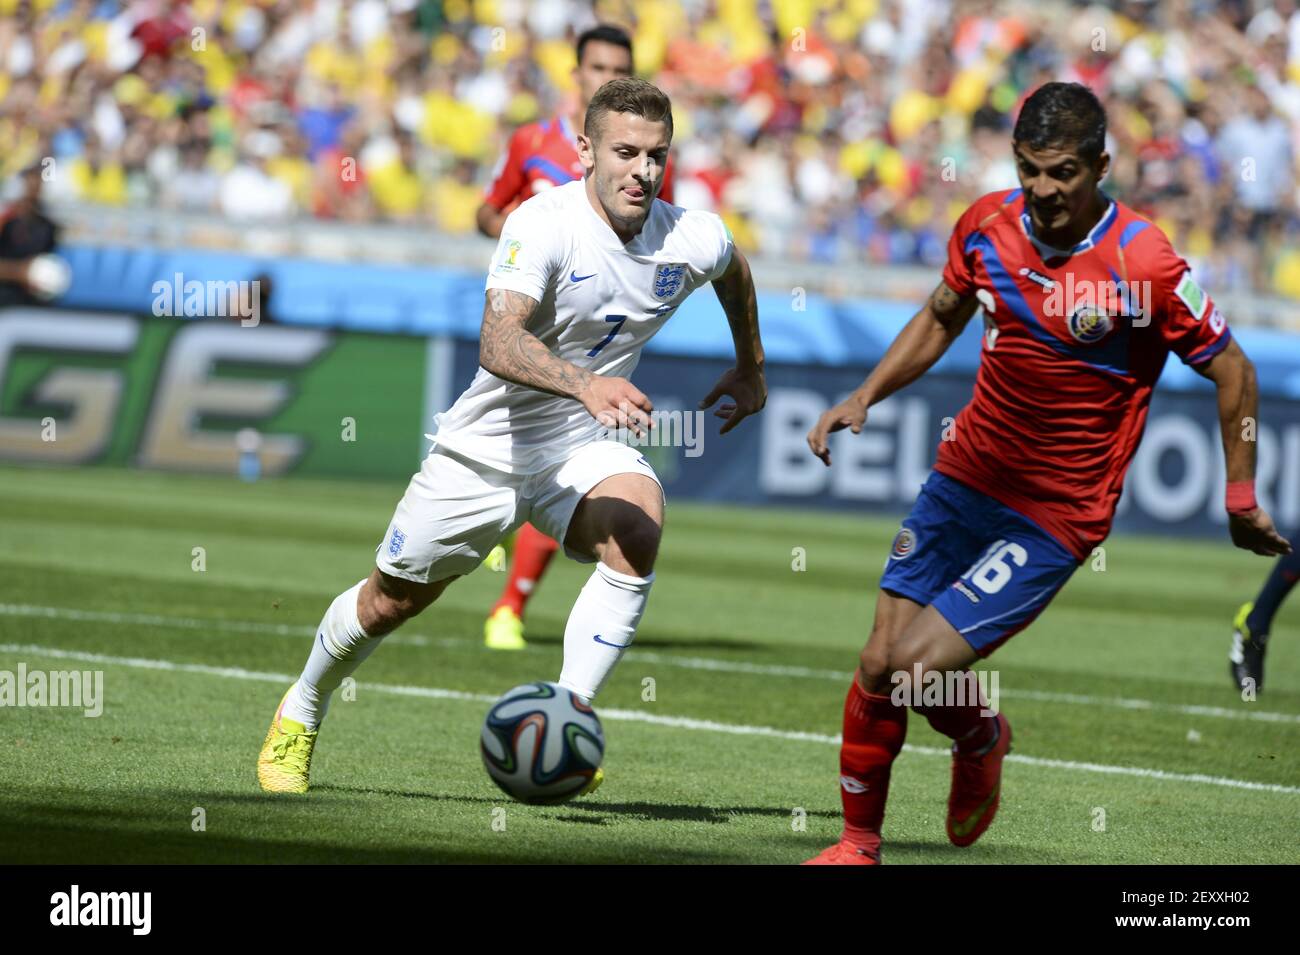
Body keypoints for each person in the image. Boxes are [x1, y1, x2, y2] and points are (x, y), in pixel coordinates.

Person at [802, 82, 1289, 865]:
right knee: (875, 663)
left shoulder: (1146, 262)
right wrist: (863, 395)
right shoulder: (987, 225)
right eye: (1029, 168)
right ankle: (858, 845)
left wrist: (1238, 493)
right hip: (962, 478)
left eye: (1061, 171)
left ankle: (983, 733)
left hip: (1053, 516)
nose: (1043, 189)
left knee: (918, 671)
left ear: (1101, 164)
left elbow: (1234, 370)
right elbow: (939, 315)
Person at [258, 77, 766, 795]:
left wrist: (752, 366)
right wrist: (588, 383)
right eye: (625, 152)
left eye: (657, 155)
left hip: (579, 445)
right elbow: (498, 340)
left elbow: (733, 267)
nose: (643, 172)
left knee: (638, 525)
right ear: (585, 149)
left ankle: (565, 718)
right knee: (389, 602)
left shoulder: (690, 235)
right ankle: (303, 705)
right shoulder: (543, 223)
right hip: (486, 447)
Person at [476, 23, 677, 652]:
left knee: (574, 463)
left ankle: (510, 606)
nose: (607, 78)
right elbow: (488, 209)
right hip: (524, 327)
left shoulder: (636, 158)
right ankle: (491, 525)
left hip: (596, 341)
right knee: (498, 454)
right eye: (597, 68)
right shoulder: (532, 141)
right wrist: (521, 234)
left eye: (621, 68)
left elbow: (661, 234)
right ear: (577, 75)